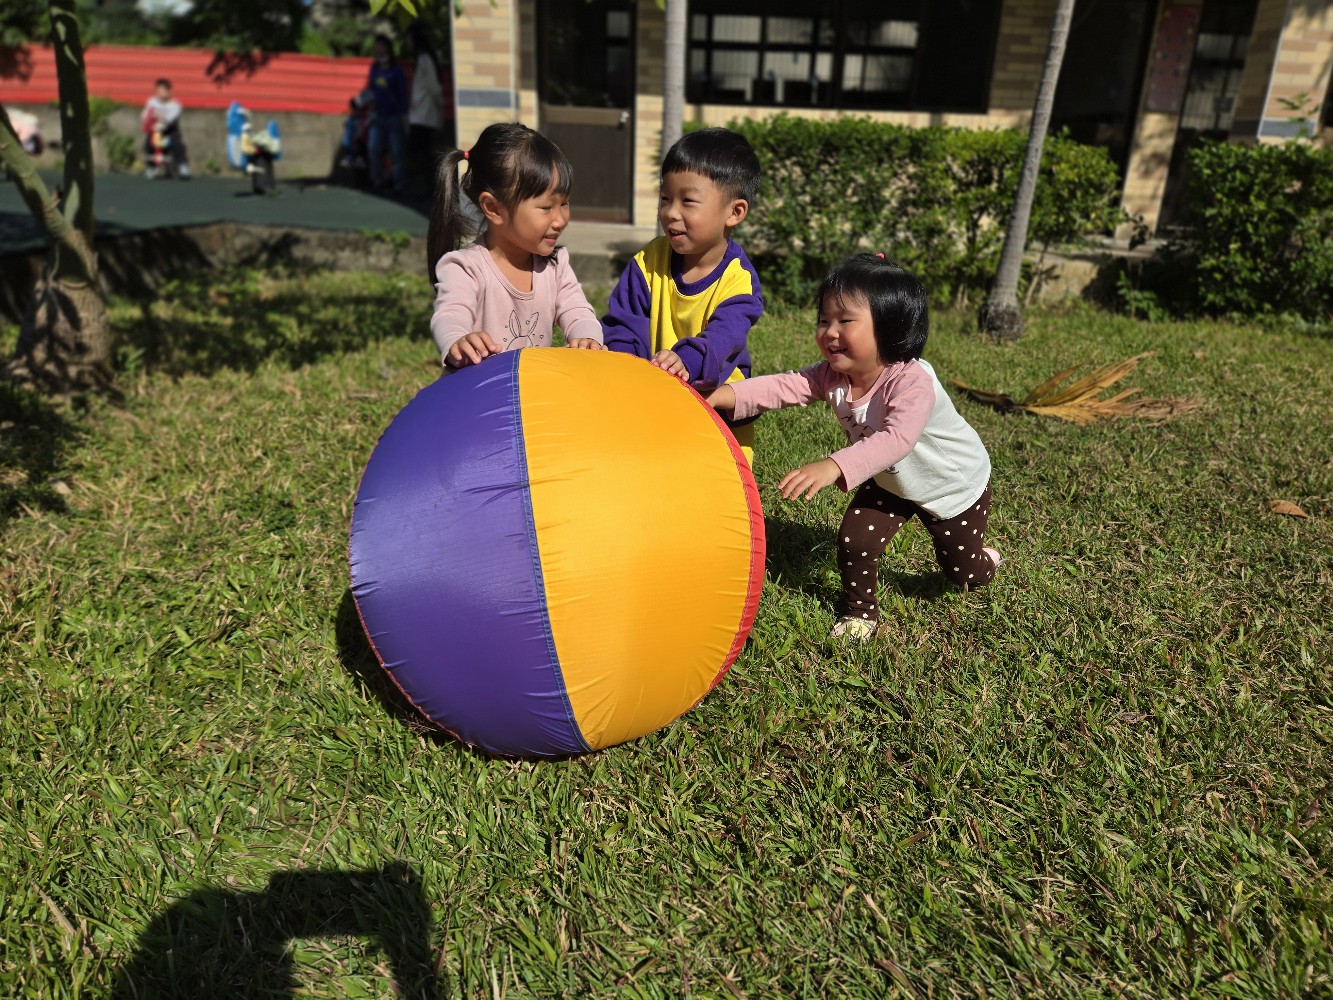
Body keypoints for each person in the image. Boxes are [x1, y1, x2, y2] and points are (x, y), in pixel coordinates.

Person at [707, 254, 1000, 642]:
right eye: (823, 320)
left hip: (951, 486)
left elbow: (897, 440)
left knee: (963, 574)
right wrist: (722, 396)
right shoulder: (833, 375)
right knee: (855, 540)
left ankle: (985, 559)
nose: (829, 331)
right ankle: (860, 613)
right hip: (890, 481)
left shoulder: (911, 382)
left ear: (890, 326)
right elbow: (784, 386)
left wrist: (833, 466)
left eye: (845, 321)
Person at [601, 127, 763, 462]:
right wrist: (627, 369)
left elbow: (724, 339)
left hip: (718, 410)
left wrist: (687, 360)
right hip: (654, 395)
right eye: (665, 199)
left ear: (734, 212)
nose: (671, 212)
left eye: (687, 201)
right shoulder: (647, 262)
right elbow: (623, 325)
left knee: (714, 480)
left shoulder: (738, 281)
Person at [427, 122, 604, 369]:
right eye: (546, 207)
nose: (561, 219)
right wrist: (458, 340)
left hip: (529, 388)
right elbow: (450, 314)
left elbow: (578, 311)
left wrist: (587, 337)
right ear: (494, 208)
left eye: (564, 203)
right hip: (479, 390)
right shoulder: (466, 267)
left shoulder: (555, 265)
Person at [365, 35, 408, 193]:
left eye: (381, 47)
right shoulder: (374, 69)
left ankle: (399, 183)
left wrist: (404, 114)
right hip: (377, 115)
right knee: (373, 148)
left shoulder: (396, 70)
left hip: (394, 115)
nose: (379, 51)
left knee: (397, 151)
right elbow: (370, 90)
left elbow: (403, 93)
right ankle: (378, 180)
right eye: (376, 48)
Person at [406, 20, 444, 188]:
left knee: (418, 153)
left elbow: (434, 88)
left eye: (409, 38)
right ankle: (431, 188)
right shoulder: (425, 58)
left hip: (424, 115)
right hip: (422, 114)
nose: (408, 42)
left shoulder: (424, 59)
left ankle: (433, 187)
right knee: (421, 152)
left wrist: (439, 112)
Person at [141, 78, 190, 179]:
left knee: (178, 144)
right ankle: (152, 168)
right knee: (148, 143)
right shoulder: (152, 102)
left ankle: (183, 167)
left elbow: (169, 122)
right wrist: (145, 119)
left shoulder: (176, 106)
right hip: (156, 134)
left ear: (169, 91)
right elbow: (146, 114)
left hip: (169, 135)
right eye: (157, 91)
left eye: (162, 91)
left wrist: (158, 126)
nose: (159, 93)